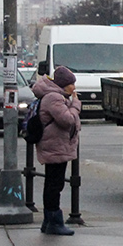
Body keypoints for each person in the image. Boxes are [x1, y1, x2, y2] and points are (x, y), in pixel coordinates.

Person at [33, 65, 81, 236]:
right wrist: (75, 105)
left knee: (53, 183)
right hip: (54, 147)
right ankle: (54, 222)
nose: (74, 87)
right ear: (63, 84)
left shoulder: (55, 96)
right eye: (71, 84)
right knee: (54, 185)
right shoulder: (54, 97)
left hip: (55, 146)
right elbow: (67, 120)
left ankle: (49, 221)